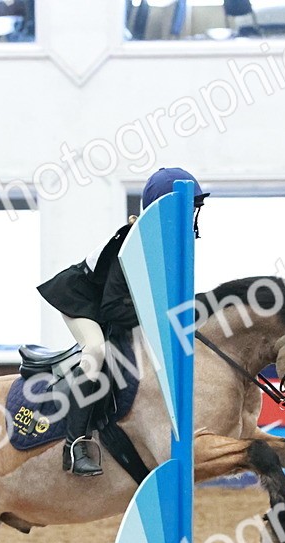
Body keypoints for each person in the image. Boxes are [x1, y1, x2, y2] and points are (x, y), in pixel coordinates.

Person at [37, 167, 208, 476]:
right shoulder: (133, 244)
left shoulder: (166, 248)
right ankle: (74, 446)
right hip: (82, 302)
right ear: (165, 212)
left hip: (108, 306)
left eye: (194, 210)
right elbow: (115, 308)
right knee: (96, 352)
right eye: (188, 210)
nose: (193, 217)